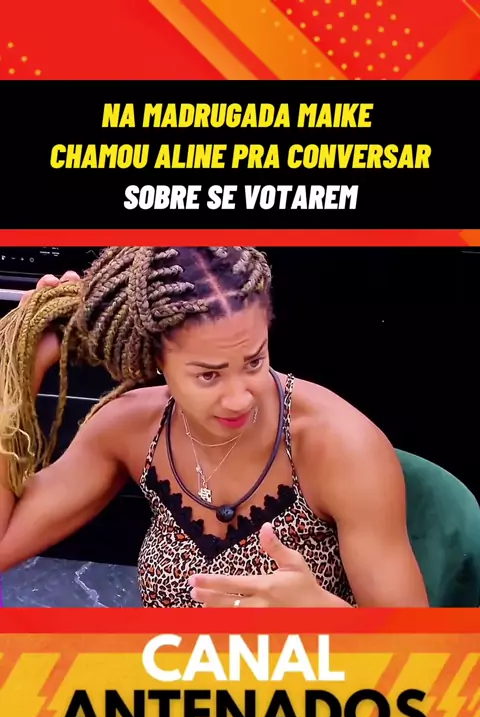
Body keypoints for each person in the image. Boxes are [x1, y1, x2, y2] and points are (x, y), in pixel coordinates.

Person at [0, 246, 428, 608]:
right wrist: (24, 368)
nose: (240, 397)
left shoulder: (340, 446)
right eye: (209, 375)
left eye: (254, 362)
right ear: (157, 360)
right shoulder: (131, 429)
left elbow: (418, 654)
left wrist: (324, 617)